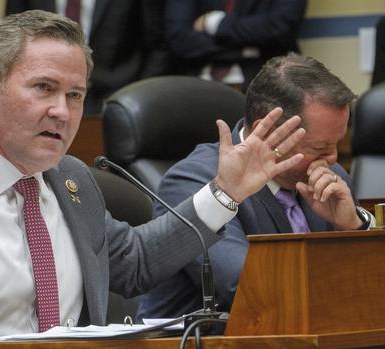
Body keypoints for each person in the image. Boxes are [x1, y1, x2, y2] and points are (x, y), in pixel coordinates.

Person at [0, 11, 306, 349]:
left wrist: (225, 194)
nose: (62, 111)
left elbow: (133, 263)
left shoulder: (71, 179)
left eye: (75, 95)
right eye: (44, 88)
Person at [137, 53, 376, 321]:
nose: (332, 159)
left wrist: (353, 228)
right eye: (319, 148)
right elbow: (245, 287)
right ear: (269, 130)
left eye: (338, 144)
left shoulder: (332, 179)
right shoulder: (195, 182)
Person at [6, 0, 173, 115]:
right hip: (43, 95)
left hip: (115, 97)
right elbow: (12, 37)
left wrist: (135, 98)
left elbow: (157, 45)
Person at [165, 0, 306, 90]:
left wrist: (213, 22)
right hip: (197, 82)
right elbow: (180, 39)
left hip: (264, 82)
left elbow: (280, 27)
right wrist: (246, 49)